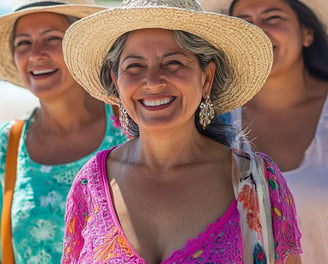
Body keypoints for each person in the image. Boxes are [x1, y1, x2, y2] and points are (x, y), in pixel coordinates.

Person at [61, 0, 302, 263]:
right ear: (116, 80)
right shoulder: (90, 184)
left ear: (206, 78)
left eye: (173, 63)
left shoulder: (258, 183)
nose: (152, 82)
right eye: (134, 66)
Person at [200, 0, 328, 263]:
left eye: (273, 18)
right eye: (245, 22)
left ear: (307, 33)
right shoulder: (212, 121)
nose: (257, 30)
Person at [0, 0, 128, 263]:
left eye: (51, 39)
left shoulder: (131, 124)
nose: (36, 54)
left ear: (82, 48)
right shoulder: (7, 146)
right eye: (23, 43)